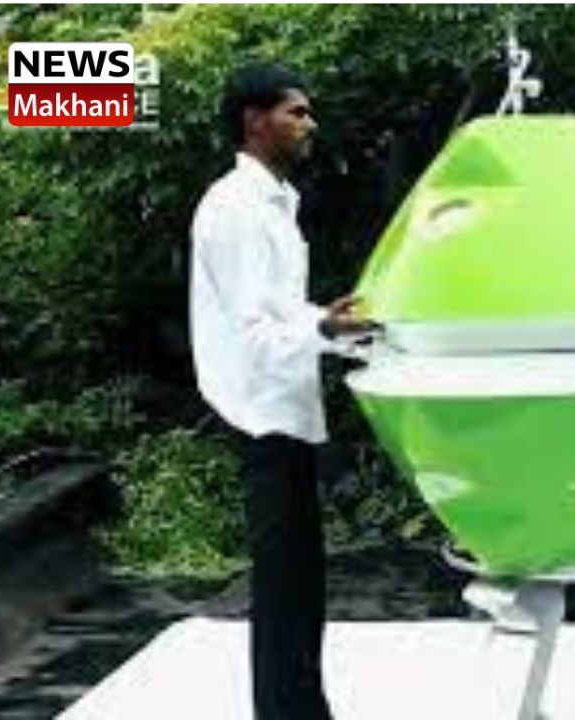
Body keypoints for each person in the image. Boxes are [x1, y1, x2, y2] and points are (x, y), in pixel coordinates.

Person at [189, 63, 374, 720]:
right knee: (283, 588)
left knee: (298, 584)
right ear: (255, 120)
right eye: (296, 112)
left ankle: (301, 710)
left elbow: (280, 312)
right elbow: (251, 332)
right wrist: (322, 329)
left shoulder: (272, 201)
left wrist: (332, 324)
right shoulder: (236, 208)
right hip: (260, 413)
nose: (309, 124)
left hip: (285, 409)